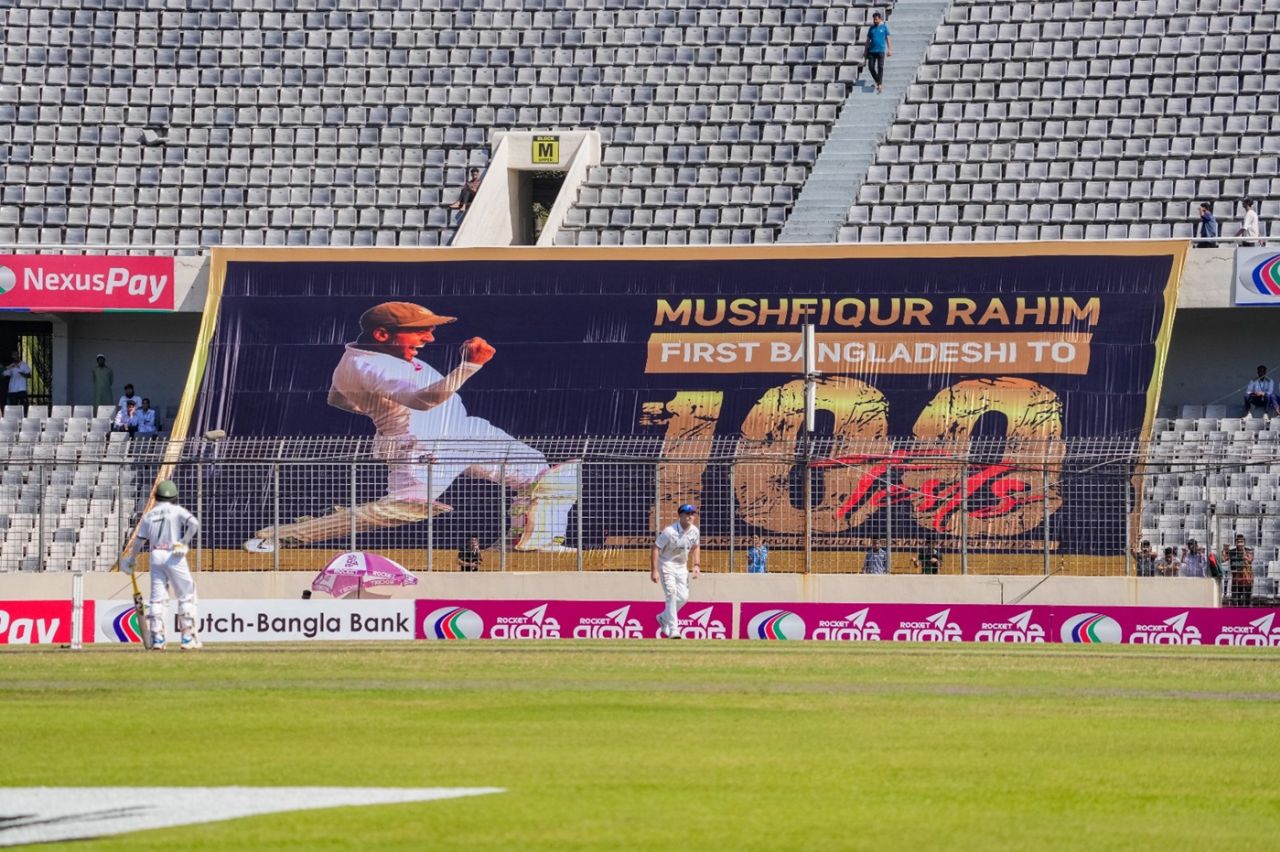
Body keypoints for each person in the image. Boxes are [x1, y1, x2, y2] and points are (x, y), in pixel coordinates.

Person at [243, 301, 578, 554]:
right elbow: (422, 402)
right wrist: (470, 366)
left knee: (544, 474)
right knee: (407, 508)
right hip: (424, 446)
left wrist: (376, 407)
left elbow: (337, 398)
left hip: (464, 432)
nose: (429, 337)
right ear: (382, 334)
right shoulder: (370, 367)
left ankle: (531, 543)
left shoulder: (367, 357)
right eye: (420, 331)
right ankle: (284, 535)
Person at [121, 480, 202, 650]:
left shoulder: (149, 515)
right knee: (186, 595)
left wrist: (132, 558)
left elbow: (139, 541)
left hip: (156, 554)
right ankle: (188, 637)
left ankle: (157, 638)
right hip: (174, 553)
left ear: (156, 496)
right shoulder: (176, 510)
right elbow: (194, 524)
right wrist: (183, 542)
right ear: (174, 496)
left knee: (157, 598)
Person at [652, 504, 700, 639]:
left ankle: (663, 617)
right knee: (671, 594)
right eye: (687, 513)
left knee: (684, 597)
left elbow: (695, 547)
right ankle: (674, 629)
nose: (690, 516)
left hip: (681, 566)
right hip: (667, 564)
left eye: (692, 513)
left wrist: (696, 565)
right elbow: (656, 548)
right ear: (680, 515)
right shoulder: (669, 531)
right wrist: (654, 570)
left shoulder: (695, 531)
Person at [1221, 534, 1254, 608]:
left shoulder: (1248, 551)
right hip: (1236, 580)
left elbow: (1250, 560)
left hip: (1247, 580)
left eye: (1241, 541)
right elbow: (1223, 560)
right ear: (1235, 543)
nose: (1240, 543)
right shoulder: (1232, 552)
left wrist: (1244, 555)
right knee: (1236, 602)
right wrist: (1224, 550)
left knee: (1247, 602)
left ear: (1244, 542)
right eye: (1238, 542)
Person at [864, 12, 892, 94]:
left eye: (876, 19)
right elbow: (867, 40)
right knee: (871, 67)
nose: (875, 21)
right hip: (872, 51)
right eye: (874, 19)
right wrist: (865, 51)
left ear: (880, 19)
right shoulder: (871, 28)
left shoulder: (884, 28)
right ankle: (878, 81)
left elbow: (888, 39)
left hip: (880, 51)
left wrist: (890, 49)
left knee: (880, 67)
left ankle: (879, 84)